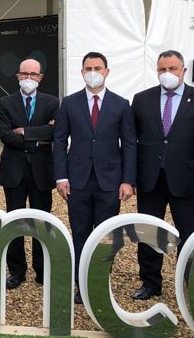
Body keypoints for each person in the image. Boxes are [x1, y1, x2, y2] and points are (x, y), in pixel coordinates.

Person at [131, 50, 194, 300]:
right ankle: (150, 282)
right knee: (149, 233)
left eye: (172, 68)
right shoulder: (142, 99)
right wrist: (131, 177)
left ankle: (189, 281)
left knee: (189, 233)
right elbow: (130, 141)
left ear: (183, 71)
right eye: (162, 69)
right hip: (150, 178)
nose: (167, 73)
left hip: (186, 179)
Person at [53, 51, 136, 302]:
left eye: (97, 68)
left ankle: (100, 282)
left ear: (106, 72)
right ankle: (81, 284)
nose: (93, 73)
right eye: (88, 68)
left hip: (109, 180)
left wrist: (128, 180)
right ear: (81, 72)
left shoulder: (121, 104)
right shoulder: (69, 103)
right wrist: (61, 177)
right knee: (80, 232)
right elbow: (60, 141)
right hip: (77, 180)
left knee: (106, 235)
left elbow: (129, 144)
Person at [0, 57, 59, 288]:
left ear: (40, 77)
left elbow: (55, 133)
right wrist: (39, 137)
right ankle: (17, 271)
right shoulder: (4, 103)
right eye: (25, 74)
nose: (29, 78)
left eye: (33, 74)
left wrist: (24, 132)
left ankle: (42, 270)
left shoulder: (52, 102)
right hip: (14, 170)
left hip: (42, 171)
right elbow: (6, 136)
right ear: (17, 76)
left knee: (41, 222)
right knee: (15, 222)